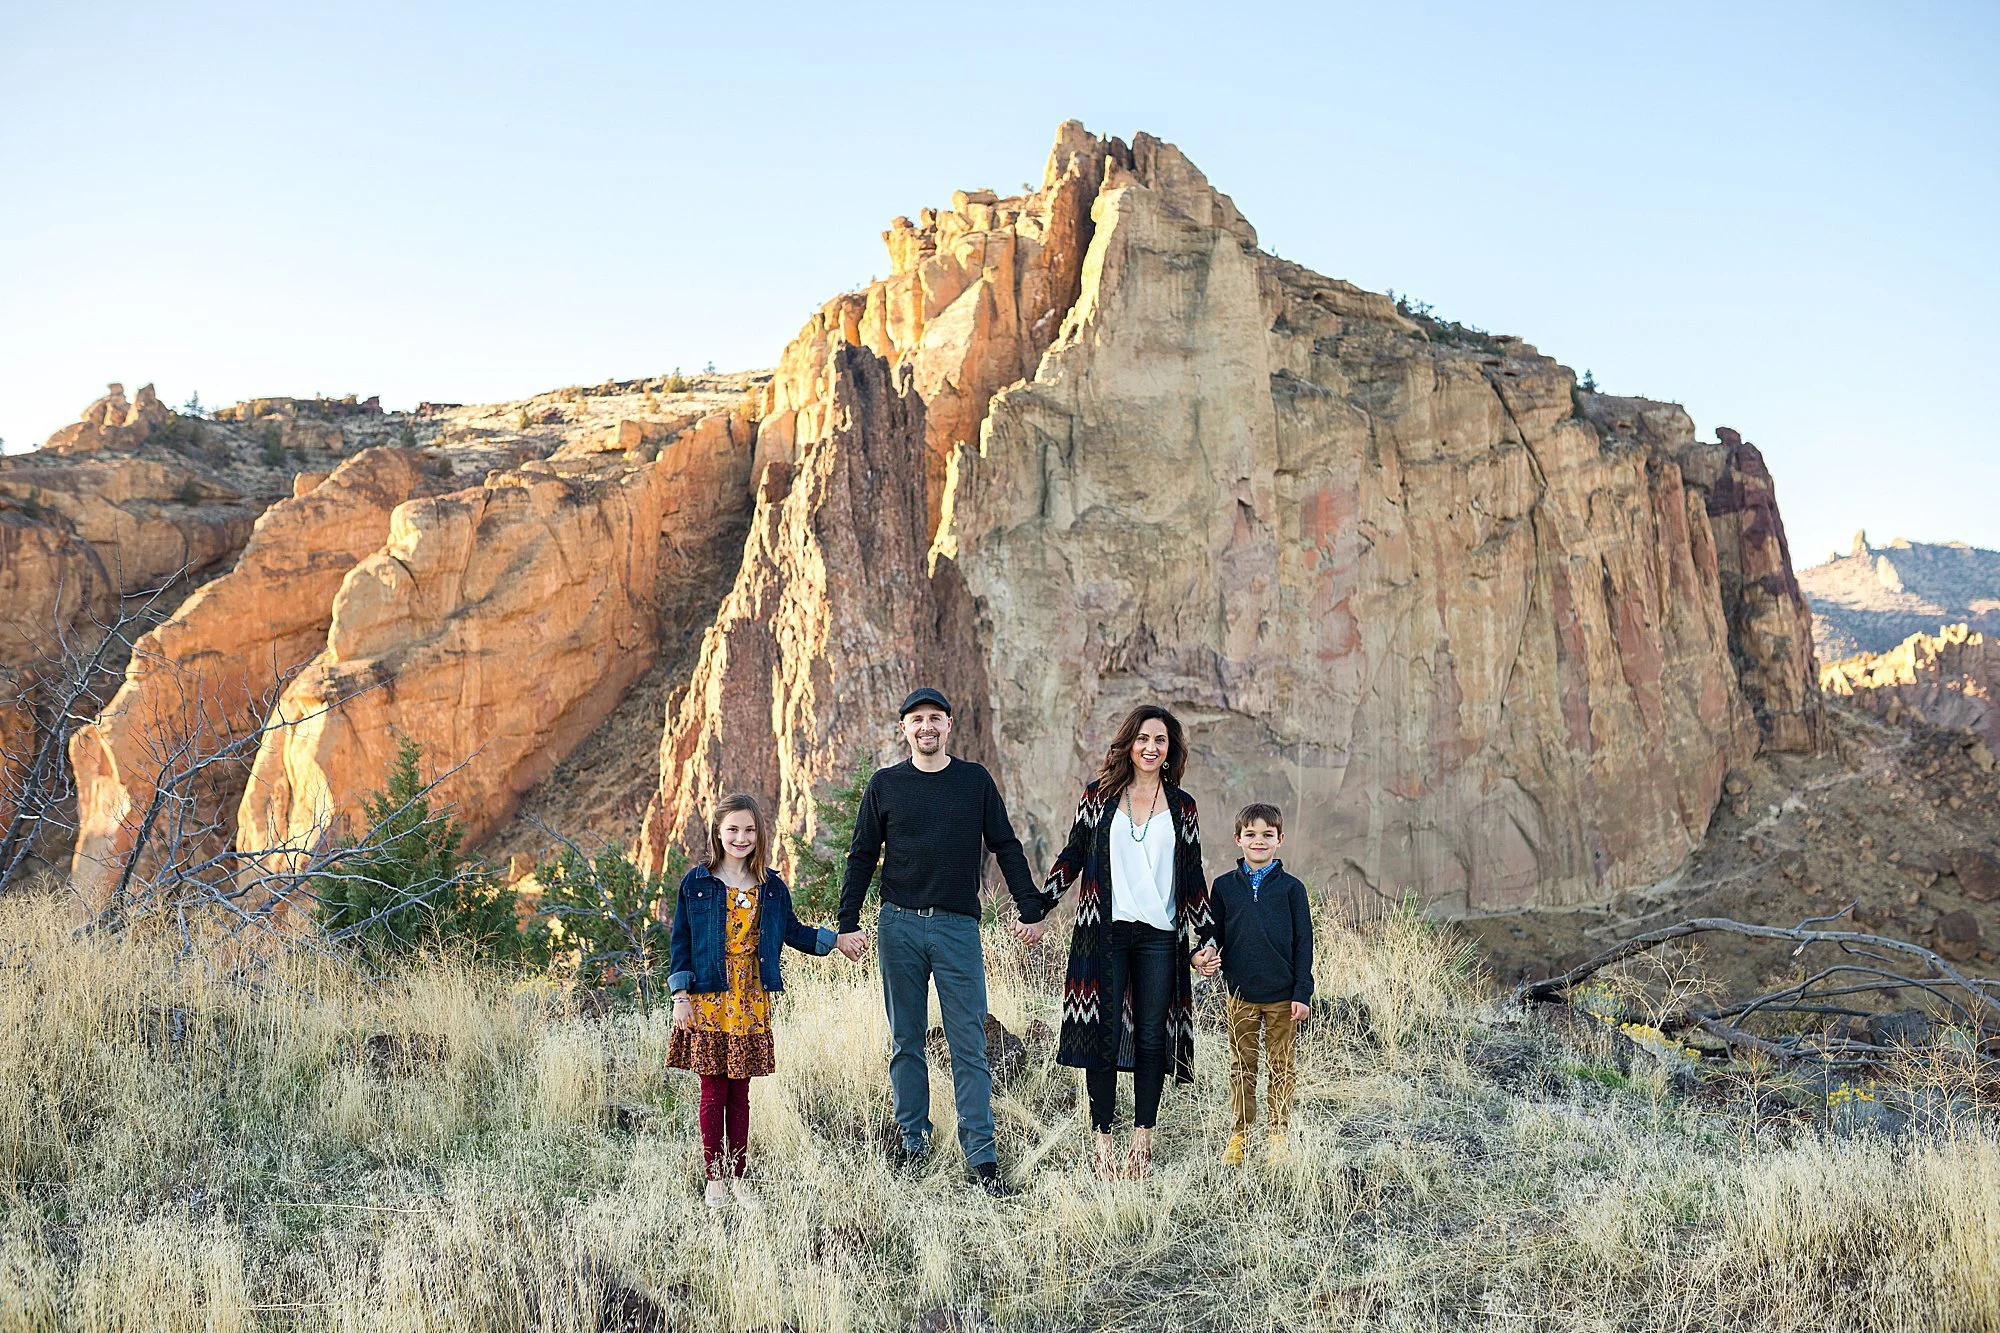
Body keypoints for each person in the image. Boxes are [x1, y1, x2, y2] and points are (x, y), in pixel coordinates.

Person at [837, 687, 1049, 1196]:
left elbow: (1005, 845)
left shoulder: (974, 782)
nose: (926, 727)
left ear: (949, 725)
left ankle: (981, 1156)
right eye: (917, 720)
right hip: (899, 927)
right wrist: (847, 921)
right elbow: (862, 854)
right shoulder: (886, 785)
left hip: (957, 928)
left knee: (969, 1042)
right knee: (905, 1040)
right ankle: (913, 1144)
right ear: (904, 729)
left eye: (935, 718)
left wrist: (1031, 908)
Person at [1026, 704, 1216, 1179]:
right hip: (1104, 931)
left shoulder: (1183, 807)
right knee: (1103, 1036)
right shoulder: (1098, 797)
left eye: (1160, 741)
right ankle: (1103, 1140)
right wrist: (1040, 907)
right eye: (1143, 738)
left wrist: (1205, 937)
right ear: (1129, 743)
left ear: (1171, 750)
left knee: (1152, 1035)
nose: (1151, 748)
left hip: (1161, 935)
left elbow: (1192, 875)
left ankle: (1142, 1138)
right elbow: (1073, 854)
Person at [666, 792, 849, 1209]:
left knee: (740, 1094)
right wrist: (680, 995)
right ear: (718, 832)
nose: (741, 837)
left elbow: (794, 932)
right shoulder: (696, 883)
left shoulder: (772, 888)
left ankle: (738, 1177)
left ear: (759, 834)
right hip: (708, 998)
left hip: (750, 999)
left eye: (749, 829)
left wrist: (836, 941)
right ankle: (714, 1178)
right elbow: (681, 942)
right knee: (713, 1091)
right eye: (732, 829)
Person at [1196, 802, 1314, 1164]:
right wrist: (1205, 952)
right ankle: (1240, 1134)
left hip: (1282, 996)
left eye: (1267, 834)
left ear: (1280, 839)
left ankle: (1278, 1134)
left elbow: (1304, 943)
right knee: (1242, 1067)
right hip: (1241, 994)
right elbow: (1214, 932)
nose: (1258, 841)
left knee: (1281, 1066)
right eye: (1250, 834)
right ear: (1238, 839)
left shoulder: (1292, 889)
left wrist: (1302, 992)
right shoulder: (1224, 887)